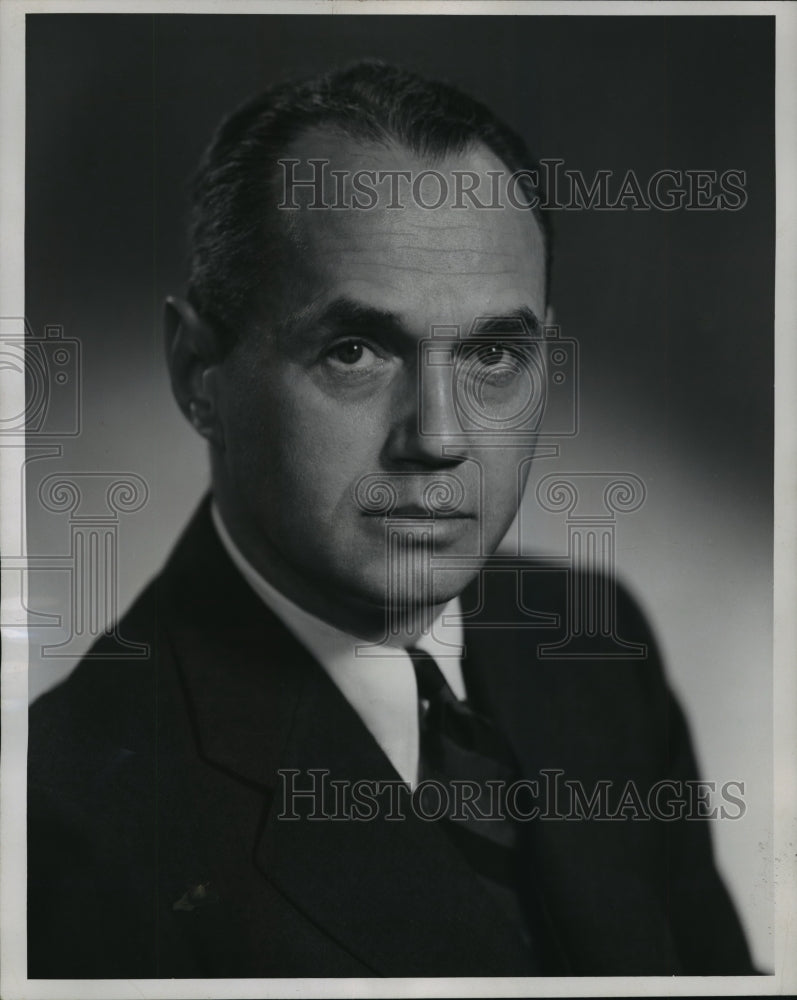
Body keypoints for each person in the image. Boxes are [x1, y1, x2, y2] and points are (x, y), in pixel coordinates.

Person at [28, 60, 755, 978]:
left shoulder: (592, 647)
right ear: (197, 374)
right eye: (357, 351)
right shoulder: (68, 824)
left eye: (494, 352)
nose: (440, 439)